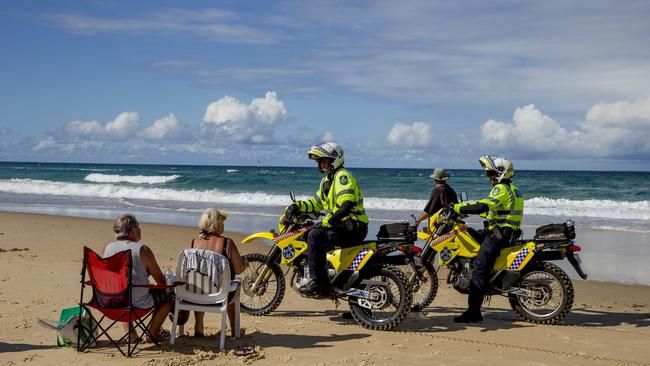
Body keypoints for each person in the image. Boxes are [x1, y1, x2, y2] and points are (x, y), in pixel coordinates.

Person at [286, 142, 369, 296]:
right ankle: (330, 274)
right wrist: (297, 206)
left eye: (325, 160)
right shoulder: (327, 181)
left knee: (315, 235)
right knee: (310, 233)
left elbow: (345, 205)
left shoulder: (342, 176)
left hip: (354, 226)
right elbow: (315, 203)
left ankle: (319, 282)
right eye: (320, 161)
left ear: (334, 160)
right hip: (343, 226)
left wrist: (326, 222)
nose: (322, 164)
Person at [452, 155, 524, 323]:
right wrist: (469, 209)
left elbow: (485, 205)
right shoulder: (513, 189)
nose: (488, 177)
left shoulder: (501, 189)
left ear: (500, 173)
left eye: (490, 173)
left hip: (500, 235)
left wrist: (457, 207)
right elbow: (495, 211)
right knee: (470, 232)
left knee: (479, 267)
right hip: (504, 232)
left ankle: (474, 312)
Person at [103, 214, 173, 342]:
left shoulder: (109, 248)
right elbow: (161, 282)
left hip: (112, 302)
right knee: (168, 298)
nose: (140, 229)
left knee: (123, 290)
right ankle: (152, 333)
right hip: (138, 304)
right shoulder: (142, 250)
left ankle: (131, 334)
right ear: (132, 231)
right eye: (138, 226)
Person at [189, 208, 248, 337]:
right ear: (218, 224)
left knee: (201, 280)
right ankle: (234, 330)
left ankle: (198, 326)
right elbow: (238, 269)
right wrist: (243, 261)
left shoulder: (194, 242)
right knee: (233, 286)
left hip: (195, 295)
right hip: (221, 296)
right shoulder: (227, 243)